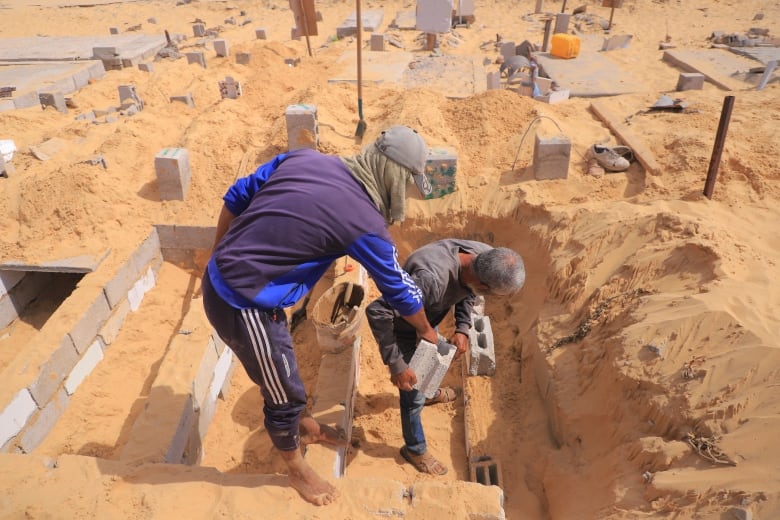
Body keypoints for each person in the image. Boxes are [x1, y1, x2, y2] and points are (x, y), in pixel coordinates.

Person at [201, 126, 440, 506]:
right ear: (392, 176)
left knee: (282, 376)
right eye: (407, 185)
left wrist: (218, 256)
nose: (406, 194)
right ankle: (296, 470)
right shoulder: (364, 222)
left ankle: (303, 426)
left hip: (229, 283)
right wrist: (426, 329)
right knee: (284, 392)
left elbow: (237, 195)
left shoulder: (306, 158)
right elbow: (398, 288)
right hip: (244, 303)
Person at [365, 239, 525, 476]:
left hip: (426, 320)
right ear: (482, 282)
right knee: (412, 393)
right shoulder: (432, 281)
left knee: (431, 364)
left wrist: (462, 327)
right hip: (404, 328)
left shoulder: (482, 256)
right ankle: (414, 449)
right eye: (489, 292)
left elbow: (468, 292)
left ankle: (429, 394)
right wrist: (397, 364)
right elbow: (377, 311)